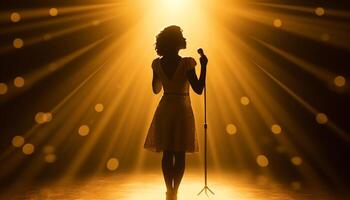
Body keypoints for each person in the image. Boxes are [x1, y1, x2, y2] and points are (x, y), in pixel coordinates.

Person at [144, 25, 207, 200]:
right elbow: (199, 88)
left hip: (165, 108)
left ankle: (168, 191)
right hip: (181, 109)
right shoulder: (187, 63)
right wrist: (204, 66)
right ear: (175, 42)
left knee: (167, 152)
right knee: (179, 153)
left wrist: (161, 75)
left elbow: (156, 90)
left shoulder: (157, 63)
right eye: (181, 36)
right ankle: (175, 192)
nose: (184, 39)